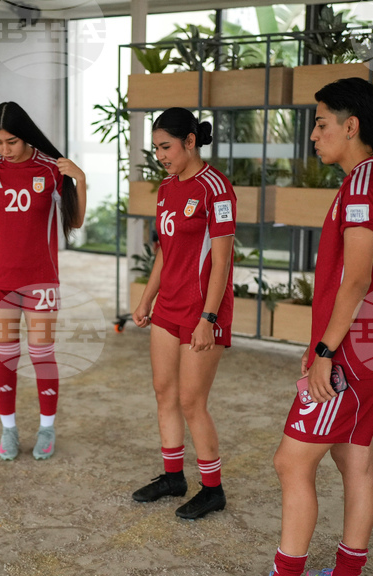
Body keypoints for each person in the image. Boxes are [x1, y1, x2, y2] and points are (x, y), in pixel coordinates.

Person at [222, 77, 373, 576]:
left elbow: (356, 278)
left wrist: (324, 351)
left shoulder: (362, 187)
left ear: (352, 126)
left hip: (349, 354)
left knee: (290, 461)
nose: (314, 136)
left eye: (321, 123)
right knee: (356, 460)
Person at [0, 101, 86, 461]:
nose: (4, 150)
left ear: (25, 136)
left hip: (41, 279)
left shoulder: (49, 168)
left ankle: (47, 427)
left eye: (11, 141)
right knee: (6, 356)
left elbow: (74, 222)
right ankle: (8, 430)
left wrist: (81, 179)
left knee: (41, 354)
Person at [131, 108, 236, 520]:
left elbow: (223, 261)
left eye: (166, 146)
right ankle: (173, 476)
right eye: (156, 147)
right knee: (164, 391)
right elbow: (165, 252)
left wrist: (208, 318)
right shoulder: (166, 189)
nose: (160, 155)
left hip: (202, 311)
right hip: (168, 306)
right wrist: (145, 300)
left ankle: (213, 489)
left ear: (190, 142)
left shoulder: (216, 188)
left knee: (193, 401)